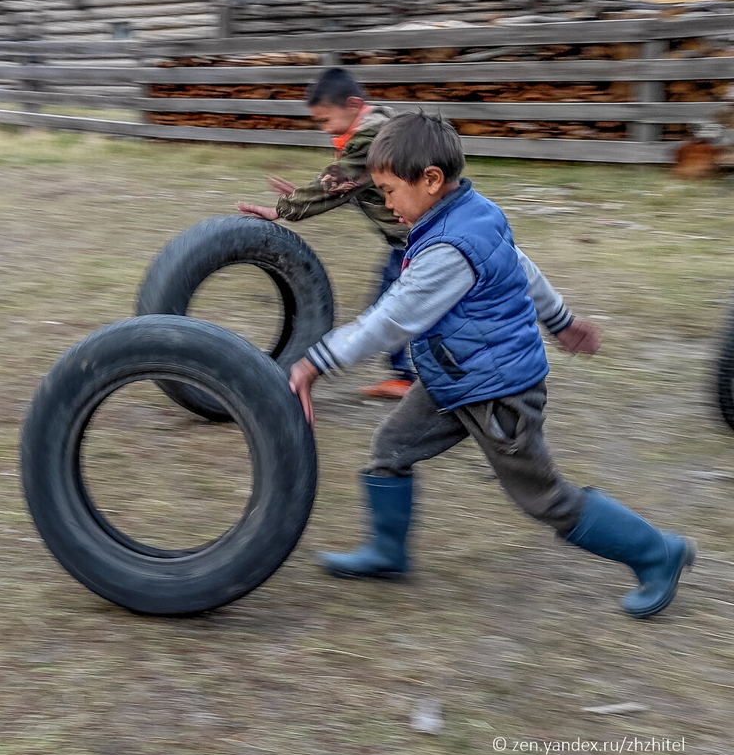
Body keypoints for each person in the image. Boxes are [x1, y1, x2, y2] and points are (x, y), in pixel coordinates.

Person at [288, 112, 696, 619]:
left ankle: (658, 553)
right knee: (391, 448)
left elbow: (392, 319)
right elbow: (521, 266)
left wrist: (316, 362)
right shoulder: (471, 213)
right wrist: (561, 321)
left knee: (544, 498)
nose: (386, 203)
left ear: (431, 180)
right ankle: (387, 552)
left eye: (389, 191)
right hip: (454, 376)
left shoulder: (449, 248)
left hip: (498, 392)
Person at [236, 68, 414, 399]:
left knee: (403, 307)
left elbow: (335, 184)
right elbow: (357, 189)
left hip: (418, 240)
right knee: (390, 305)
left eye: (326, 120)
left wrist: (282, 209)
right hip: (405, 241)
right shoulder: (372, 129)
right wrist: (301, 196)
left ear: (353, 104)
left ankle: (423, 378)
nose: (325, 128)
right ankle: (406, 376)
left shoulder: (371, 137)